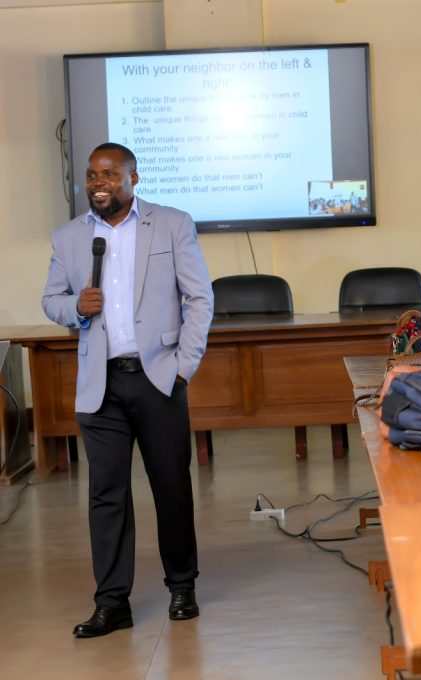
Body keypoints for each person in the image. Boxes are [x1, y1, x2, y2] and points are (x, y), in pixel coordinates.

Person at [42, 143, 214, 638]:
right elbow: (51, 300)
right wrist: (76, 304)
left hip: (158, 377)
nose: (99, 183)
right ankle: (112, 601)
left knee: (171, 488)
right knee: (106, 495)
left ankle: (182, 586)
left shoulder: (171, 223)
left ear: (132, 178)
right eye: (92, 175)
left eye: (110, 174)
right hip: (101, 386)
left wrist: (183, 367)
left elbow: (199, 298)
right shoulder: (70, 237)